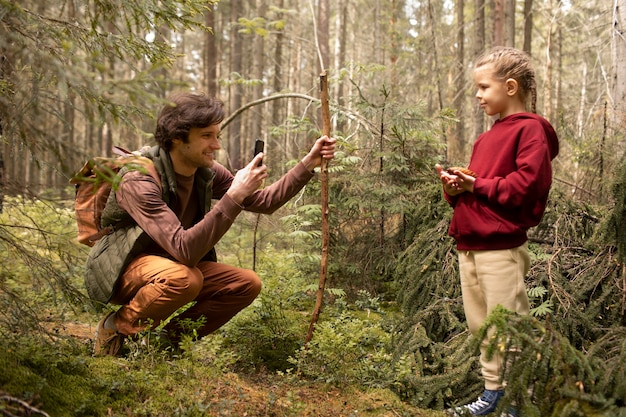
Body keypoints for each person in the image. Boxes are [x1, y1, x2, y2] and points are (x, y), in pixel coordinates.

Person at [87, 92, 336, 356]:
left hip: (171, 267)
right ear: (176, 138)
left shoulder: (205, 172)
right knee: (186, 278)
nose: (216, 145)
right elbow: (185, 251)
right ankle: (116, 326)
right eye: (206, 136)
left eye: (216, 135)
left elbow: (264, 202)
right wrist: (234, 196)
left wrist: (309, 163)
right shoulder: (139, 179)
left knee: (245, 284)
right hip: (125, 270)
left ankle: (164, 346)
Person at [436, 46, 559, 416]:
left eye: (483, 87)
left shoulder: (531, 130)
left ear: (510, 86)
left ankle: (518, 400)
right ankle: (494, 396)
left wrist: (476, 186)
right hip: (470, 244)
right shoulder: (486, 137)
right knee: (481, 327)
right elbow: (479, 190)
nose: (477, 95)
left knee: (507, 326)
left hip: (501, 246)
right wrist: (456, 186)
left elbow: (525, 187)